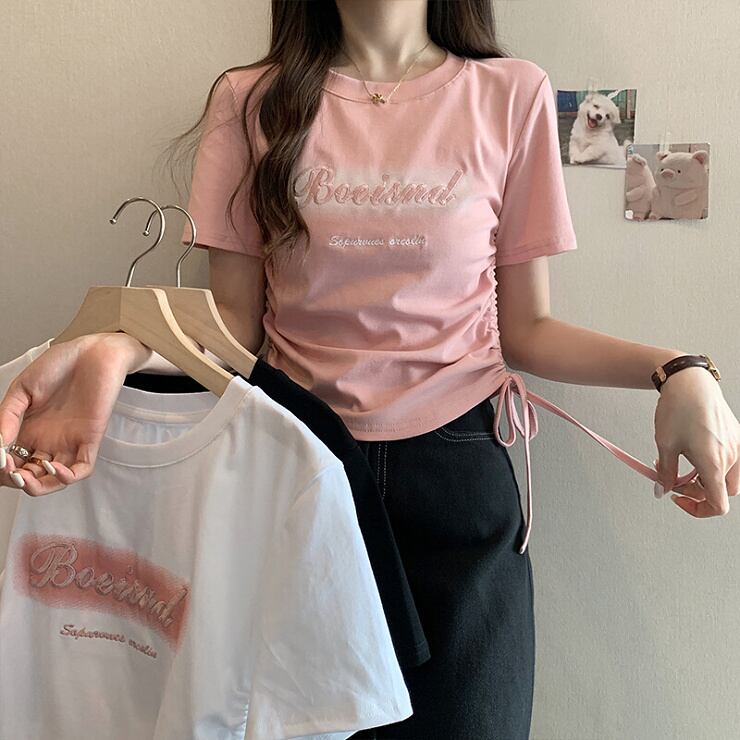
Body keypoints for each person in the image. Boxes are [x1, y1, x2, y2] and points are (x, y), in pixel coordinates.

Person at [1, 1, 739, 738]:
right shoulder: (248, 100)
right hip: (296, 470)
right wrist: (117, 347)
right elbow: (231, 325)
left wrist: (676, 371)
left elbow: (528, 331)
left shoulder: (512, 93)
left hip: (458, 481)